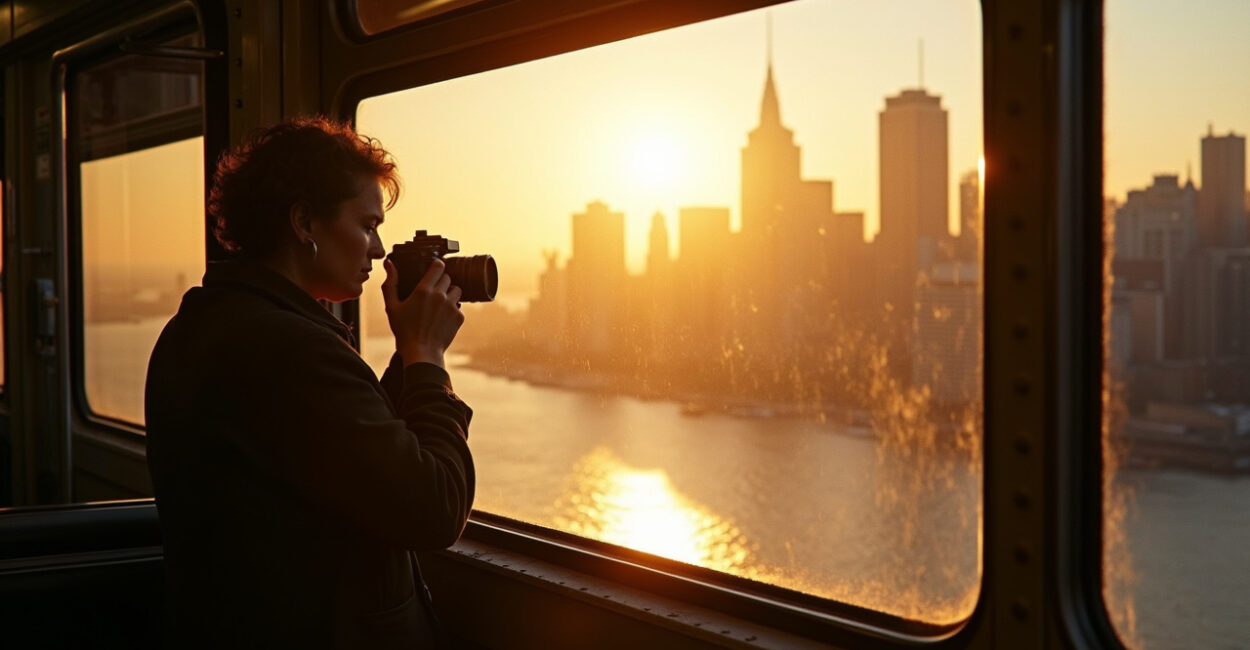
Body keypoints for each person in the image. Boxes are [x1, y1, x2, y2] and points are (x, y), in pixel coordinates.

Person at [145, 117, 474, 649]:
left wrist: (407, 351)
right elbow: (435, 509)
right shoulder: (288, 349)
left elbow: (350, 450)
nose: (377, 249)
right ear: (304, 222)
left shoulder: (207, 324)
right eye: (367, 225)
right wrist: (427, 357)